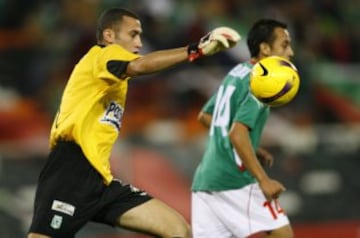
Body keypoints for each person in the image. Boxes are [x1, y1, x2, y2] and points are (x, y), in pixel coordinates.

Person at [27, 7, 240, 238]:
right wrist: (195, 49)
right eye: (133, 34)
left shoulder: (113, 77)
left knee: (177, 229)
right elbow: (140, 66)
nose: (139, 42)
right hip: (70, 173)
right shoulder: (102, 55)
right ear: (109, 36)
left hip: (101, 180)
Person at [191, 19, 295, 238]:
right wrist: (263, 179)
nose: (291, 52)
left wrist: (250, 146)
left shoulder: (238, 71)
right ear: (265, 48)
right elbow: (237, 133)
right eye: (284, 45)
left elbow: (206, 116)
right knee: (283, 234)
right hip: (234, 180)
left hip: (205, 181)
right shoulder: (263, 82)